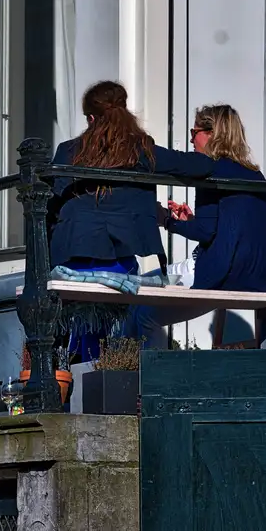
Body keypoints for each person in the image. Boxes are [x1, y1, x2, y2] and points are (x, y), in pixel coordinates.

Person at [49, 80, 216, 362]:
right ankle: (112, 371)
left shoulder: (68, 151)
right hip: (118, 260)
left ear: (91, 118)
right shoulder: (140, 149)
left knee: (80, 319)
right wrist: (224, 156)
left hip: (71, 258)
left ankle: (82, 370)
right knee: (122, 304)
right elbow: (195, 165)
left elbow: (51, 205)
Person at [125, 104, 266, 347]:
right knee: (140, 291)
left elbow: (205, 232)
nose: (191, 140)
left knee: (140, 308)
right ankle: (129, 364)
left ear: (212, 134)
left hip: (222, 274)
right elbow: (223, 228)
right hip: (256, 277)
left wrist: (165, 219)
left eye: (194, 133)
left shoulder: (210, 169)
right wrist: (190, 222)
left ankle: (136, 369)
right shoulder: (255, 175)